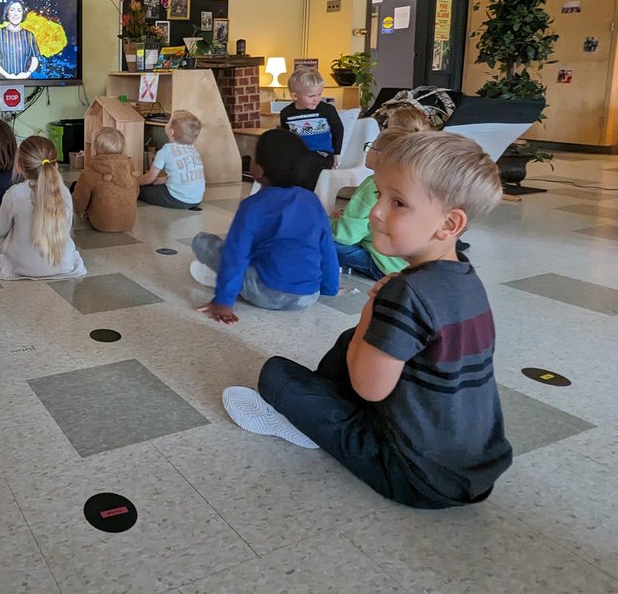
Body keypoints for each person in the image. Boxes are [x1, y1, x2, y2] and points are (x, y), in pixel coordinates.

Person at [223, 132, 512, 509]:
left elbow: (369, 388)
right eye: (379, 195)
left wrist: (371, 312)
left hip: (412, 476)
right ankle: (324, 407)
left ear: (448, 224)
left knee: (276, 374)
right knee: (351, 341)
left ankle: (308, 426)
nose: (376, 211)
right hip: (473, 471)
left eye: (398, 203)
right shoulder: (467, 279)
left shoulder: (407, 293)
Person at [191, 129, 338, 324]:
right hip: (308, 296)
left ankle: (223, 283)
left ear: (259, 169)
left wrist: (223, 302)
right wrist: (330, 288)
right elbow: (327, 248)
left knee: (203, 242)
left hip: (265, 292)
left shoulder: (252, 206)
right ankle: (229, 281)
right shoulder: (312, 201)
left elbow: (236, 255)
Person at [331, 106, 431, 279]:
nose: (368, 151)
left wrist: (330, 222)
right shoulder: (414, 181)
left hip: (386, 264)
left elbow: (345, 236)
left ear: (381, 156)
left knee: (319, 236)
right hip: (410, 262)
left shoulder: (373, 186)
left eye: (371, 146)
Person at [0, 135, 86, 280]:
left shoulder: (14, 193)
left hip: (21, 266)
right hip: (64, 264)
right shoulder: (63, 192)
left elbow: (0, 230)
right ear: (55, 165)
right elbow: (66, 227)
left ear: (19, 167)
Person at [71, 127, 138, 233]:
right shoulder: (130, 169)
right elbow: (136, 193)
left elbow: (79, 205)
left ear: (95, 149)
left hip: (101, 224)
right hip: (128, 223)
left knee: (76, 187)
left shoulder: (89, 173)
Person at [280, 68, 343, 179]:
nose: (317, 99)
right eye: (311, 96)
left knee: (307, 165)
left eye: (319, 94)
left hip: (323, 153)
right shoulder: (286, 113)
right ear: (295, 96)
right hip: (299, 155)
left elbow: (338, 129)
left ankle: (307, 194)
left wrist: (336, 153)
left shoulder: (327, 110)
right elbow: (286, 137)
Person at [137, 110, 205, 209]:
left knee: (144, 190)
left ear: (171, 132)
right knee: (158, 184)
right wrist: (164, 180)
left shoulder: (165, 151)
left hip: (177, 199)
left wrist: (136, 182)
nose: (166, 122)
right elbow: (184, 173)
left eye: (168, 121)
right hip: (196, 199)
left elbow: (150, 178)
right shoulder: (193, 150)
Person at [0, 0, 40, 80]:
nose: (15, 14)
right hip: (1, 81)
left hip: (27, 82)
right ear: (7, 13)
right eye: (12, 10)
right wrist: (7, 75)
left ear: (22, 14)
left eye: (19, 10)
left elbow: (35, 59)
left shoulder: (29, 35)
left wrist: (28, 73)